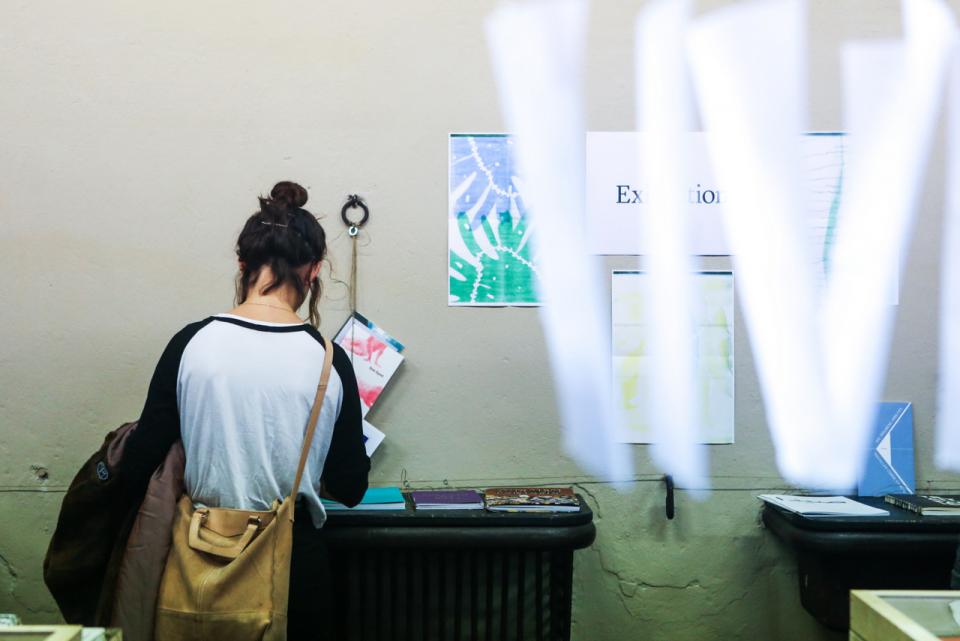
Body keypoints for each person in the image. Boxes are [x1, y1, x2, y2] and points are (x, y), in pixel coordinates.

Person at [120, 181, 370, 641]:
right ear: (313, 271)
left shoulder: (190, 344)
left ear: (242, 264)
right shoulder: (331, 363)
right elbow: (352, 486)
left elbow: (139, 462)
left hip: (196, 561)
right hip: (295, 570)